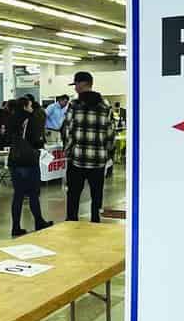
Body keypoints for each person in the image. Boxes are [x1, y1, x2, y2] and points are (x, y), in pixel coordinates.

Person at [63, 71, 118, 223]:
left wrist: (68, 151)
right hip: (98, 160)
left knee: (73, 194)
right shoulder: (105, 105)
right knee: (96, 193)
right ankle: (95, 219)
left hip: (77, 159)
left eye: (76, 85)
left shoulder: (74, 105)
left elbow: (68, 130)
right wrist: (106, 152)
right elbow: (110, 133)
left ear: (82, 84)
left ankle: (72, 221)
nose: (75, 89)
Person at [8, 95, 52, 237]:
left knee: (18, 195)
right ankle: (39, 221)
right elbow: (36, 140)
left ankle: (15, 227)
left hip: (14, 160)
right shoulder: (31, 118)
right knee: (33, 193)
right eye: (31, 105)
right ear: (26, 105)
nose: (32, 108)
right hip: (28, 160)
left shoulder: (13, 118)